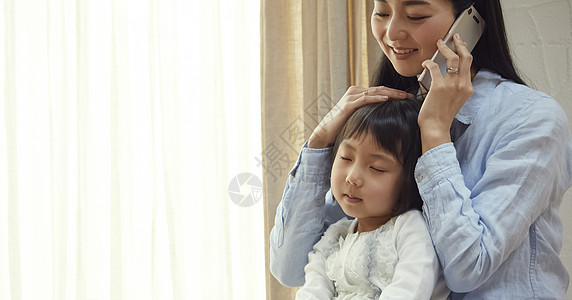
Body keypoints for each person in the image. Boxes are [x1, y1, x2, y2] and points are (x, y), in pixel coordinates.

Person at [270, 0, 572, 299]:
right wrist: (321, 140)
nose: (391, 32)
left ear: (470, 20)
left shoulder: (531, 118)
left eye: (416, 15)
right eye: (382, 12)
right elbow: (291, 267)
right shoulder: (390, 115)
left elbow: (468, 269)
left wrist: (435, 133)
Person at [296, 99, 449, 299]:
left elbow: (411, 290)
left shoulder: (409, 228)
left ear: (411, 178)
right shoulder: (336, 235)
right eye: (346, 158)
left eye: (377, 168)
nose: (352, 177)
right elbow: (312, 289)